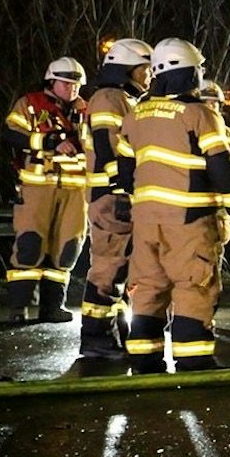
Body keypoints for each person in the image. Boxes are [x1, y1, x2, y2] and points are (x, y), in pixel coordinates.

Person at [114, 38, 230, 373]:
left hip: (145, 220)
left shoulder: (136, 114)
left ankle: (144, 357)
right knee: (193, 286)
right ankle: (193, 359)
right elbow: (221, 168)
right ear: (189, 73)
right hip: (190, 220)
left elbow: (124, 172)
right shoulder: (200, 114)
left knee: (148, 286)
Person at [78, 39, 152, 356]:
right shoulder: (110, 99)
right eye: (145, 68)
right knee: (108, 270)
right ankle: (95, 338)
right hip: (111, 199)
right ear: (128, 68)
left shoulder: (122, 98)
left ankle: (114, 333)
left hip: (116, 196)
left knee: (120, 270)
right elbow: (109, 147)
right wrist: (122, 190)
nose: (150, 75)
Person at [3, 57, 91, 323]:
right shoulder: (30, 104)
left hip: (76, 191)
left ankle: (53, 308)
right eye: (66, 83)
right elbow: (10, 134)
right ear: (51, 81)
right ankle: (19, 308)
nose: (71, 89)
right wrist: (48, 141)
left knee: (66, 249)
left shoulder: (87, 110)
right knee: (30, 245)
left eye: (75, 84)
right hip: (37, 188)